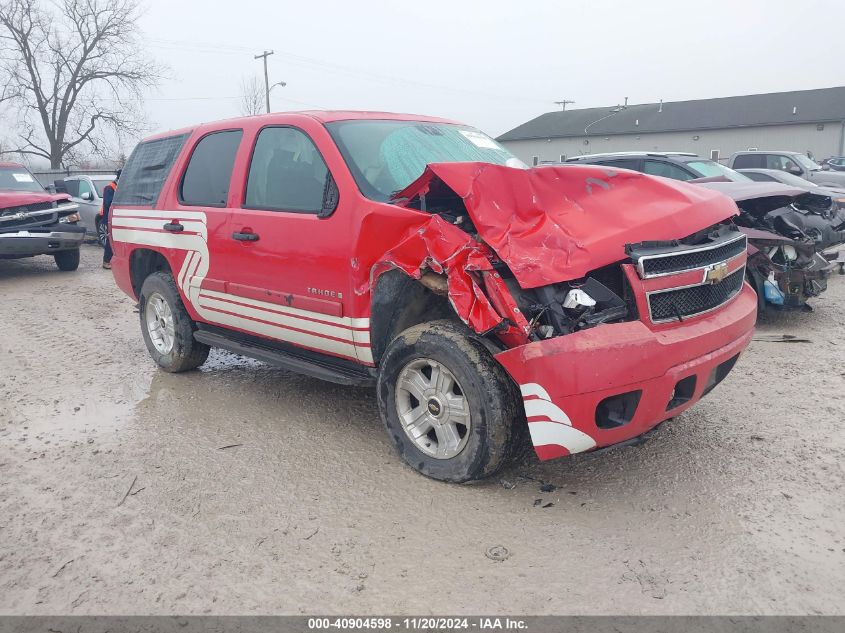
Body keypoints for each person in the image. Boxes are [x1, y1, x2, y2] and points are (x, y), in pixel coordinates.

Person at [100, 169, 120, 269]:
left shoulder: (119, 187)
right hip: (109, 217)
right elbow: (108, 203)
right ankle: (106, 261)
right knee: (110, 239)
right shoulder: (110, 188)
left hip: (117, 216)